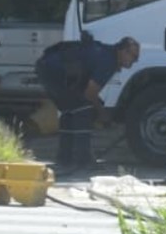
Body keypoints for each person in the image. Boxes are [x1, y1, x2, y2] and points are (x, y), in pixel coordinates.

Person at [35, 36, 141, 169]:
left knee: (70, 111)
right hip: (55, 71)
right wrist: (102, 113)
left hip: (46, 67)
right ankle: (83, 160)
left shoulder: (105, 53)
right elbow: (90, 93)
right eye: (134, 56)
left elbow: (88, 90)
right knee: (83, 110)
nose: (134, 61)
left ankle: (65, 159)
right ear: (123, 51)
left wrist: (99, 107)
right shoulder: (108, 60)